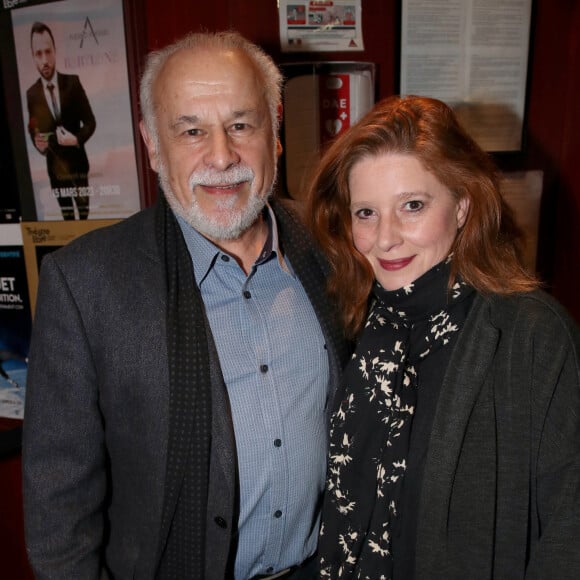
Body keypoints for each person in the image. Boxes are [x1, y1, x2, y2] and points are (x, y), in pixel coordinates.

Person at [22, 31, 348, 579]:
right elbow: (59, 516)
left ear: (276, 132)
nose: (221, 156)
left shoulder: (333, 250)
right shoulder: (85, 285)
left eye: (241, 125)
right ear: (152, 145)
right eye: (191, 131)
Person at [306, 95, 580, 579]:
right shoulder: (356, 325)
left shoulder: (534, 338)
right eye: (366, 213)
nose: (386, 237)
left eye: (412, 205)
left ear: (461, 206)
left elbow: (568, 534)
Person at [26, 21, 96, 220]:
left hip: (78, 168)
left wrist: (76, 139)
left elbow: (90, 122)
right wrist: (37, 142)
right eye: (39, 54)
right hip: (55, 172)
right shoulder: (31, 94)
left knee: (84, 223)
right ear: (33, 56)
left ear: (55, 51)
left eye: (48, 52)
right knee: (66, 225)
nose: (45, 60)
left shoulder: (72, 83)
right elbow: (33, 127)